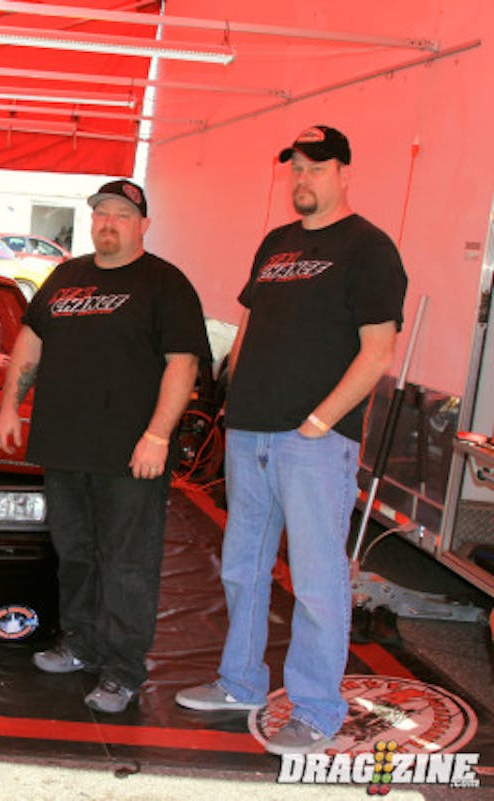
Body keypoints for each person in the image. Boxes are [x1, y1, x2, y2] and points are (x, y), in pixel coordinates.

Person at [176, 126, 407, 755]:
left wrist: (320, 422)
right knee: (242, 570)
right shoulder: (276, 243)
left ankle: (317, 708)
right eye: (296, 169)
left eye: (316, 168)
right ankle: (241, 681)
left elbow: (378, 352)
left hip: (312, 443)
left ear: (344, 173)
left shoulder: (369, 248)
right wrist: (231, 401)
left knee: (315, 582)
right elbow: (252, 325)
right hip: (251, 431)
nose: (303, 179)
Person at [0, 179, 210, 714]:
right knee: (77, 555)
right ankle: (81, 644)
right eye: (101, 214)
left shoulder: (166, 284)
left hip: (131, 456)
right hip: (65, 448)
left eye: (120, 214)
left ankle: (122, 670)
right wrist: (7, 406)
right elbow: (31, 339)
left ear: (142, 224)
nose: (107, 222)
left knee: (127, 564)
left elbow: (183, 364)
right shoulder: (66, 277)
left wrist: (158, 435)